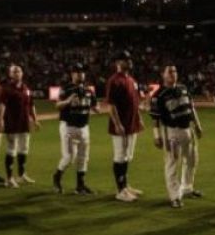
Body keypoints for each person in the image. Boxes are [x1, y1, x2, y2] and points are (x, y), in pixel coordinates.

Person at [151, 65, 204, 208]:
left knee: (192, 159)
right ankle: (174, 196)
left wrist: (197, 125)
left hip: (188, 130)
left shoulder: (183, 88)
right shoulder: (158, 95)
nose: (173, 74)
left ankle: (187, 188)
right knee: (172, 163)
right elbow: (155, 119)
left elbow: (191, 108)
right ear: (163, 75)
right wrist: (156, 136)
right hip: (171, 132)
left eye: (175, 71)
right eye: (169, 71)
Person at [53, 63, 98, 195]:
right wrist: (68, 100)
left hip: (84, 127)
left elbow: (96, 106)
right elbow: (57, 106)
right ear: (72, 74)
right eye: (77, 72)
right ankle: (56, 178)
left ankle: (80, 185)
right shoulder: (65, 88)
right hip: (68, 126)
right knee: (68, 157)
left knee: (84, 157)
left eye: (82, 71)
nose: (80, 74)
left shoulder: (89, 90)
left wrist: (96, 107)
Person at [106, 50, 144, 202]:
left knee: (128, 156)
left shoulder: (131, 79)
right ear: (118, 63)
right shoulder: (114, 80)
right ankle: (120, 190)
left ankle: (126, 186)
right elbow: (111, 105)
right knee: (120, 156)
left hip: (131, 123)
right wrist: (117, 123)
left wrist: (139, 118)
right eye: (125, 59)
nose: (129, 61)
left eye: (129, 59)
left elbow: (134, 102)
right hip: (121, 125)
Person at [0, 64, 39, 187]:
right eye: (14, 72)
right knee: (12, 150)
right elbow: (2, 105)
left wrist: (35, 119)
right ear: (10, 74)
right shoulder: (6, 89)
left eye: (19, 71)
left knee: (24, 149)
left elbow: (31, 105)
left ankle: (21, 175)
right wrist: (0, 120)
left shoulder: (26, 88)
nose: (17, 73)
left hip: (24, 123)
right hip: (12, 123)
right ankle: (9, 178)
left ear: (22, 73)